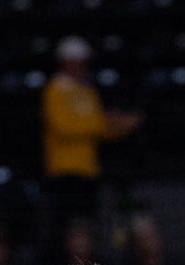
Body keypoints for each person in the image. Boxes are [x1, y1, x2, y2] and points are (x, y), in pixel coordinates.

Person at [43, 37, 141, 242]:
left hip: (88, 169)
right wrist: (103, 124)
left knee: (87, 226)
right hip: (63, 169)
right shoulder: (55, 90)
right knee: (67, 228)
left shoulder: (87, 90)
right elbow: (63, 126)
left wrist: (119, 126)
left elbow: (98, 126)